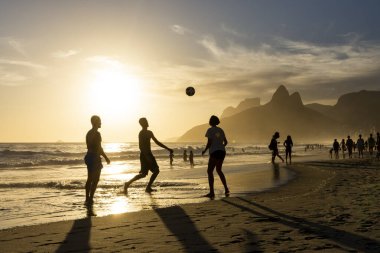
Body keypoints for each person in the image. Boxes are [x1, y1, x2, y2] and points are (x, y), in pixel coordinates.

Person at [124, 118, 173, 193]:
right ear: (143, 124)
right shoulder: (141, 133)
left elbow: (157, 142)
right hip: (145, 155)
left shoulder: (149, 132)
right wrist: (147, 156)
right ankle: (147, 187)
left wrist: (168, 148)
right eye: (146, 122)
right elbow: (140, 146)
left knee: (145, 174)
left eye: (147, 121)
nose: (147, 123)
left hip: (147, 154)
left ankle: (128, 184)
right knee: (154, 171)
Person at [84, 115, 110, 205]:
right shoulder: (97, 134)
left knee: (89, 179)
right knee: (95, 180)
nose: (101, 123)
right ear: (95, 122)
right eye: (99, 121)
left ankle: (87, 198)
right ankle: (90, 198)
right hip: (94, 158)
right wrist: (106, 157)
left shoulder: (88, 133)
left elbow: (88, 146)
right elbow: (99, 148)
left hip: (88, 156)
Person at [202, 115, 229, 198]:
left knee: (210, 171)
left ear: (211, 121)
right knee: (219, 170)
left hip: (214, 152)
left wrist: (205, 150)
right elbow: (226, 142)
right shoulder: (221, 130)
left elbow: (209, 142)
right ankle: (226, 189)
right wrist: (220, 147)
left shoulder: (210, 130)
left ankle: (212, 192)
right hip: (222, 152)